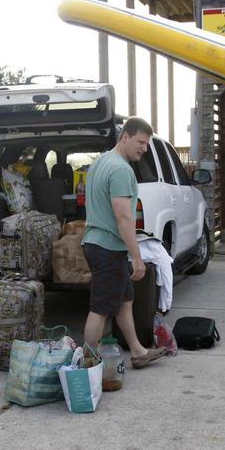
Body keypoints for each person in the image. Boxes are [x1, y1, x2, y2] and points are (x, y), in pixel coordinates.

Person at [81, 117, 166, 368]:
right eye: (140, 142)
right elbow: (123, 217)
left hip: (99, 243)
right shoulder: (120, 170)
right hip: (107, 247)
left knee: (124, 301)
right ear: (125, 137)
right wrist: (137, 257)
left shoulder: (101, 162)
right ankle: (87, 367)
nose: (144, 148)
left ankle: (138, 351)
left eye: (147, 144)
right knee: (100, 308)